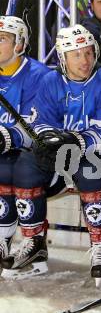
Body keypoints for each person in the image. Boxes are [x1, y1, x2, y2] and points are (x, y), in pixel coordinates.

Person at [2, 24, 101, 289]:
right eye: (76, 54)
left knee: (93, 171)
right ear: (63, 57)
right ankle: (35, 242)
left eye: (88, 53)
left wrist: (75, 139)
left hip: (95, 152)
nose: (84, 60)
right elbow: (40, 123)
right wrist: (48, 140)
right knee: (25, 167)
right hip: (61, 155)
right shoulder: (50, 81)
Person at [0, 16, 50, 272]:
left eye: (2, 39)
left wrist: (7, 136)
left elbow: (39, 127)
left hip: (37, 153)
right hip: (5, 150)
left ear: (19, 44)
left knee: (16, 168)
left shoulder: (39, 76)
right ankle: (2, 238)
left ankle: (34, 243)